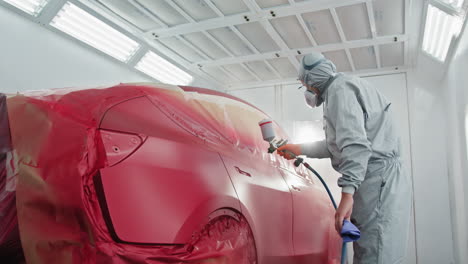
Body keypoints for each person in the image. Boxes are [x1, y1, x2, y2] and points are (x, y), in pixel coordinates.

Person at [277, 52, 412, 264]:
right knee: (373, 247)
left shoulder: (339, 92)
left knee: (375, 252)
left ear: (314, 81)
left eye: (305, 85)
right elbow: (337, 145)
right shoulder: (339, 89)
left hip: (376, 180)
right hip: (374, 179)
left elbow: (355, 146)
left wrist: (347, 195)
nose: (306, 91)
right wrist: (299, 148)